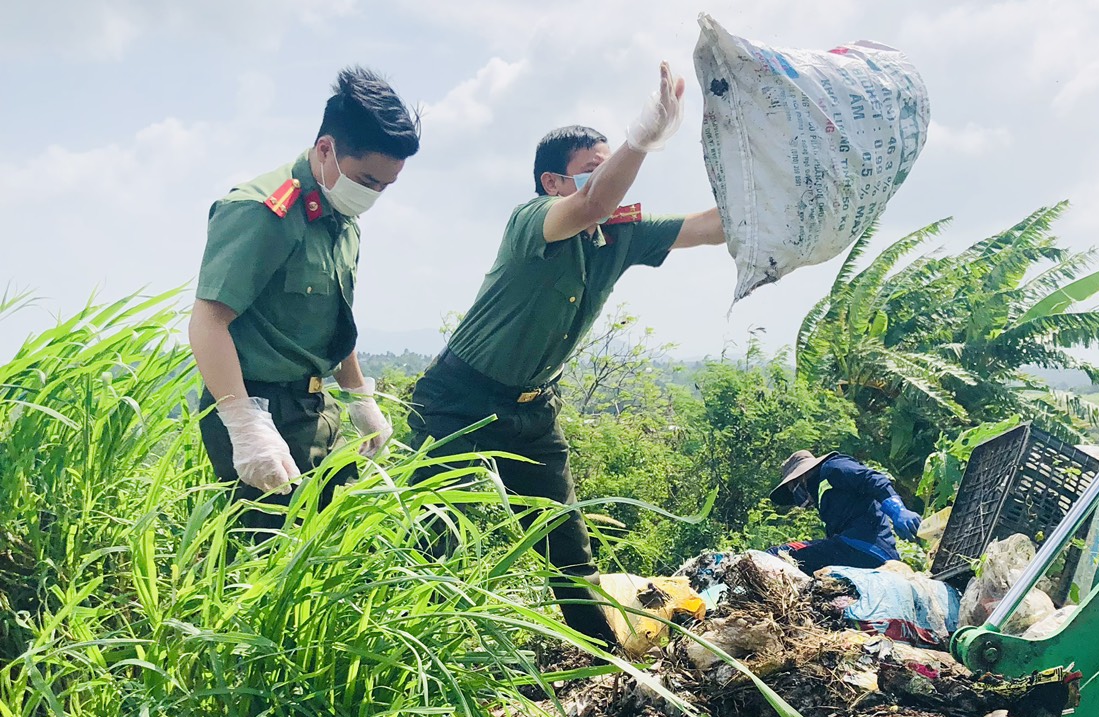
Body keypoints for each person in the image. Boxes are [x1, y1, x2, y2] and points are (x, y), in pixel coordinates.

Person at [407, 62, 725, 649]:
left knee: (566, 543)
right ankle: (404, 654)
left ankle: (602, 662)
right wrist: (641, 140)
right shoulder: (534, 219)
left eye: (609, 167)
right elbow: (588, 208)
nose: (607, 181)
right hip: (459, 399)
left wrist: (789, 203)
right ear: (553, 182)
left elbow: (709, 227)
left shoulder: (619, 235)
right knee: (431, 538)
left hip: (533, 409)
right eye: (591, 170)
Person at [189, 66, 420, 533]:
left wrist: (358, 396)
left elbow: (334, 317)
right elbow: (207, 323)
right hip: (260, 407)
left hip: (317, 407)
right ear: (325, 149)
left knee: (335, 548)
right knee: (263, 565)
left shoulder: (340, 215)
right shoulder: (262, 211)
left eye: (385, 186)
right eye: (367, 179)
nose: (373, 194)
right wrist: (244, 423)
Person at [767, 450, 922, 576]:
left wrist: (898, 510)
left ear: (802, 477)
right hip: (862, 551)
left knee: (777, 554)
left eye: (795, 488)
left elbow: (873, 479)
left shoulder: (832, 467)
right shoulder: (823, 494)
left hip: (861, 547)